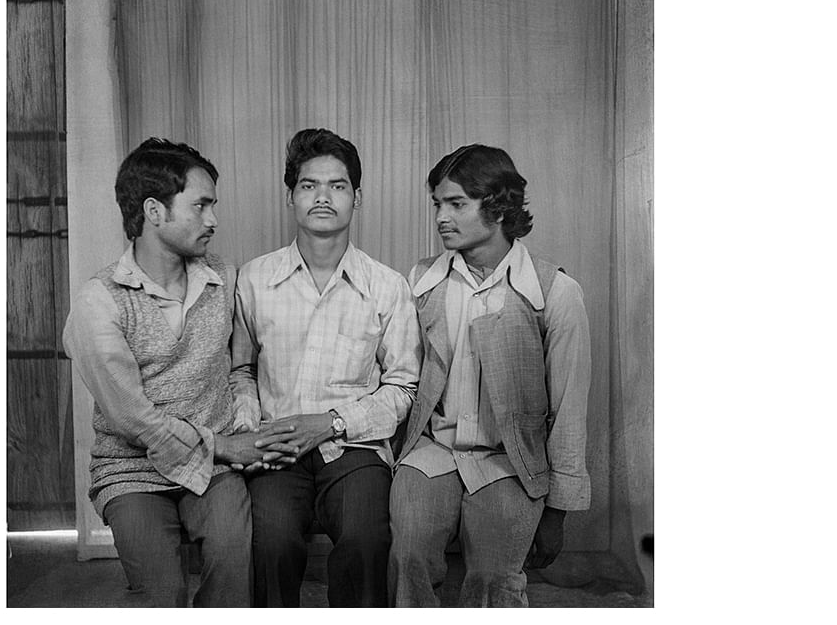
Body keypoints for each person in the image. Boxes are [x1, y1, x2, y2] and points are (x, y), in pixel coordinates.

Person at [63, 138, 297, 607]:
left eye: (214, 205)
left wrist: (247, 428)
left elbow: (239, 369)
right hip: (133, 470)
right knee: (162, 592)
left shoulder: (223, 277)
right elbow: (134, 420)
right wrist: (226, 445)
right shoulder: (100, 301)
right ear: (154, 211)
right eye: (201, 205)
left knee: (235, 569)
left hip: (215, 467)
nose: (213, 220)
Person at [388, 144, 592, 607]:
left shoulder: (555, 292)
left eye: (456, 203)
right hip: (432, 452)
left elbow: (569, 410)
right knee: (408, 558)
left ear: (498, 206)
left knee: (493, 578)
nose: (441, 216)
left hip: (510, 462)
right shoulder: (420, 282)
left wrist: (558, 510)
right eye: (438, 203)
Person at [229, 128, 421, 607]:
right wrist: (254, 432)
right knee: (270, 544)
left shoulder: (387, 286)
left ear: (357, 198)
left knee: (366, 541)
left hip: (353, 447)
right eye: (309, 185)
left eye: (337, 186)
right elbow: (240, 372)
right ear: (291, 195)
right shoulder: (254, 279)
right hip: (278, 442)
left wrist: (332, 423)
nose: (322, 197)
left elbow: (402, 387)